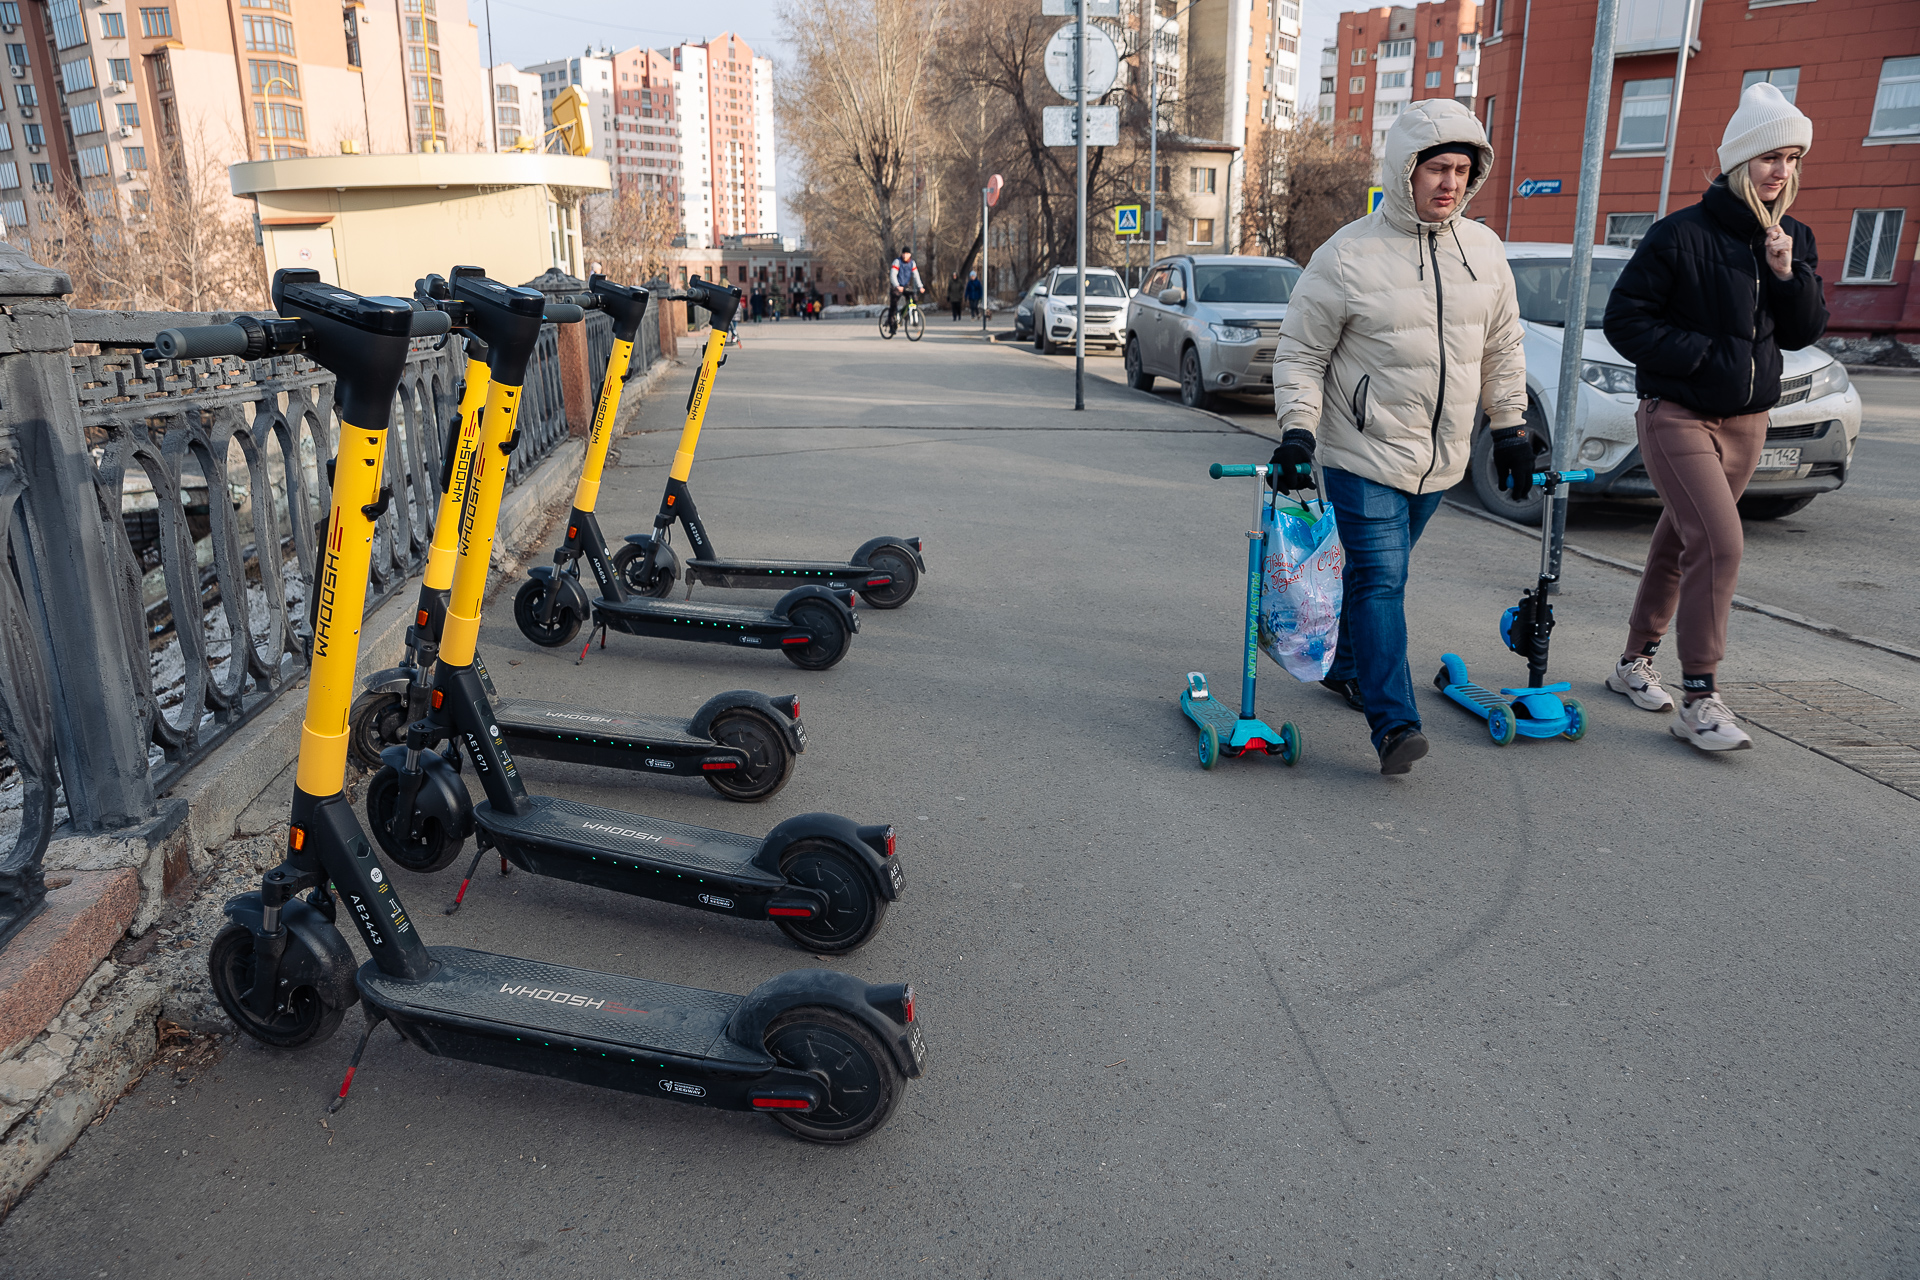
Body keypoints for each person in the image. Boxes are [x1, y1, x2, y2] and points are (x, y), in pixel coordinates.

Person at [1267, 99, 1530, 776]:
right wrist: (1299, 433)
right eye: (1436, 167)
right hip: (1365, 449)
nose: (1449, 182)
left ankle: (1345, 665)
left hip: (1441, 459)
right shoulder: (1349, 254)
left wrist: (1511, 430)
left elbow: (1502, 348)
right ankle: (1394, 725)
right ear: (1405, 170)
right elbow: (1301, 353)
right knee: (1384, 579)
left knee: (1370, 574)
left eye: (1460, 170)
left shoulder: (1484, 251)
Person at [1601, 83, 1826, 752]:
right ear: (1739, 161)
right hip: (1677, 415)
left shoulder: (1792, 236)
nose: (1780, 171)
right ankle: (1700, 698)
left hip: (1747, 422)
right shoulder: (1680, 234)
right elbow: (1624, 321)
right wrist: (1700, 356)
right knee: (1721, 544)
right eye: (1768, 157)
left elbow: (1804, 330)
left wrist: (1789, 274)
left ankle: (1632, 661)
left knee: (1681, 539)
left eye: (1791, 158)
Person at [886, 248, 924, 330]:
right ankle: (891, 322)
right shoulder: (897, 262)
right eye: (904, 253)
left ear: (910, 254)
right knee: (894, 304)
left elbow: (916, 276)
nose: (905, 255)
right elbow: (893, 275)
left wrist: (920, 286)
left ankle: (910, 314)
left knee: (914, 298)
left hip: (906, 286)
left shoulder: (912, 263)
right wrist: (897, 285)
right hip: (896, 286)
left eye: (907, 253)